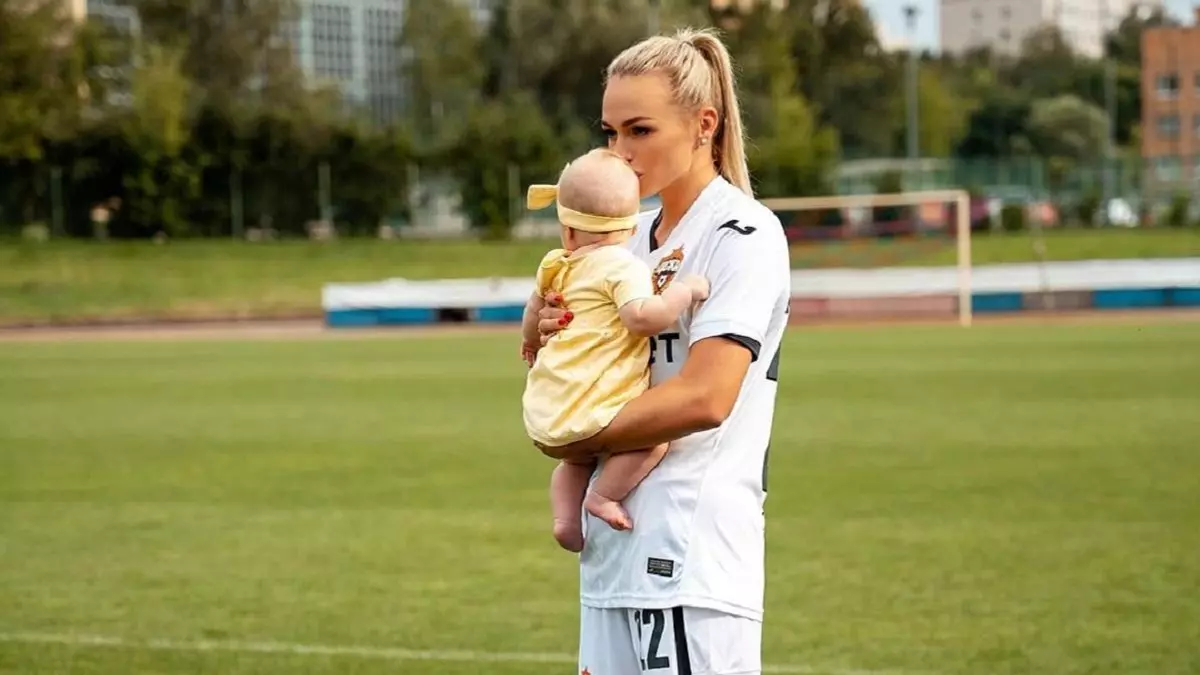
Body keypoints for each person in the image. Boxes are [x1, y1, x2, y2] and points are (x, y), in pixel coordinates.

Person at [530, 26, 792, 675]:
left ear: (704, 124)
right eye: (610, 132)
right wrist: (549, 334)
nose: (620, 154)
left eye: (640, 130)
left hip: (688, 553)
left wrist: (571, 436)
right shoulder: (621, 240)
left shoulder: (741, 233)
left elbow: (706, 398)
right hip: (610, 551)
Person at [519, 148, 710, 554]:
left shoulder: (556, 265)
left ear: (568, 231)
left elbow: (533, 311)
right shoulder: (622, 266)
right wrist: (684, 291)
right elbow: (642, 318)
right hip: (596, 410)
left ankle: (565, 520)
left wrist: (531, 341)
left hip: (550, 416)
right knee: (654, 441)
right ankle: (603, 496)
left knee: (573, 461)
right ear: (630, 229)